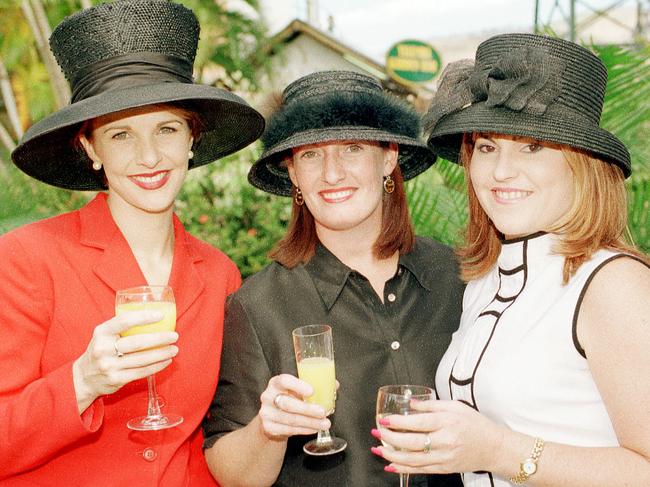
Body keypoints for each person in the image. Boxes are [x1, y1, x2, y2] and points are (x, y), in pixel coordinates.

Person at [0, 0, 264, 484]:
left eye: (166, 129)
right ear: (90, 149)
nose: (148, 156)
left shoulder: (219, 272)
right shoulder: (25, 258)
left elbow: (202, 440)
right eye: (121, 135)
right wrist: (81, 383)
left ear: (191, 139)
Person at [370, 33, 650, 486]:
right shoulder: (484, 279)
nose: (501, 171)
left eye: (531, 146)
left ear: (584, 164)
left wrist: (499, 450)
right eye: (486, 146)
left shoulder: (613, 285)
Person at [202, 70, 465, 486]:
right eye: (310, 154)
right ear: (292, 173)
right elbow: (233, 475)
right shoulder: (257, 306)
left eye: (353, 148)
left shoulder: (458, 277)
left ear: (389, 157)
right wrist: (268, 429)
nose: (332, 173)